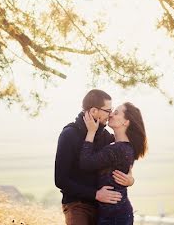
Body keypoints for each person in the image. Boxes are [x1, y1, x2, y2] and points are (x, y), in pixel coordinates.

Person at [55, 89, 135, 225]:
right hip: (77, 206)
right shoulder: (69, 135)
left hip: (103, 207)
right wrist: (95, 194)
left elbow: (122, 158)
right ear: (93, 111)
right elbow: (60, 180)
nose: (110, 115)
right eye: (108, 111)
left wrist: (131, 179)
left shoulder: (105, 136)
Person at [79, 102, 147, 225]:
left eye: (116, 113)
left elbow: (86, 163)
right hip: (115, 213)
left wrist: (91, 132)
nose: (110, 115)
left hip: (114, 217)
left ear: (125, 122)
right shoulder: (124, 147)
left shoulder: (118, 149)